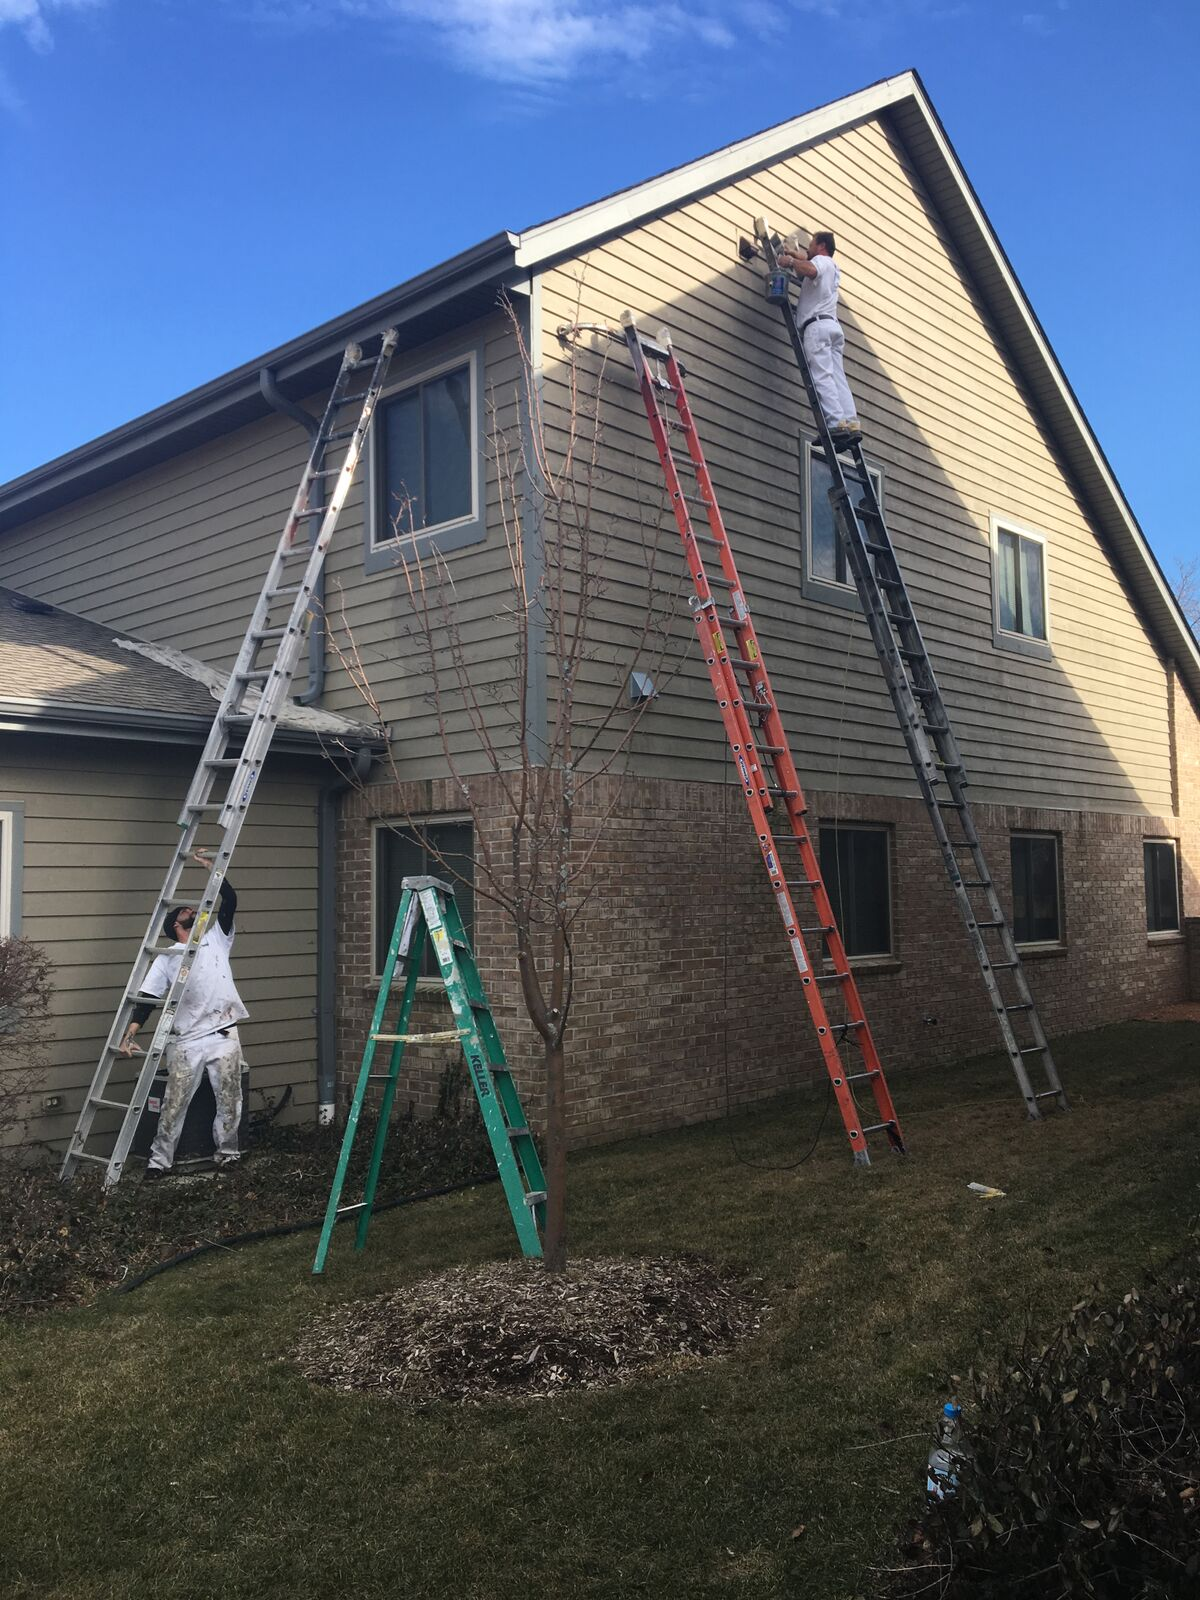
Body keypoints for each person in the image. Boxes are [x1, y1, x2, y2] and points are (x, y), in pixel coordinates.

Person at [120, 848, 248, 1179]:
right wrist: (131, 1031)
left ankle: (228, 1154)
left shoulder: (216, 939)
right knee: (173, 1104)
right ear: (177, 925)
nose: (196, 912)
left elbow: (229, 901)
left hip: (224, 1032)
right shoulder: (166, 957)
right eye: (189, 912)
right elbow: (147, 998)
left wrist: (213, 869)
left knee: (230, 1099)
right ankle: (159, 1162)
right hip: (186, 1040)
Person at [776, 228, 861, 445]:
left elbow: (811, 268)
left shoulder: (821, 262)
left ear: (821, 246)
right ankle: (850, 423)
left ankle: (834, 424)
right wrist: (795, 255)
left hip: (817, 327)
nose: (808, 248)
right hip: (831, 326)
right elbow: (808, 261)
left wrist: (790, 262)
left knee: (822, 376)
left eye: (812, 244)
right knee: (837, 377)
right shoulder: (832, 267)